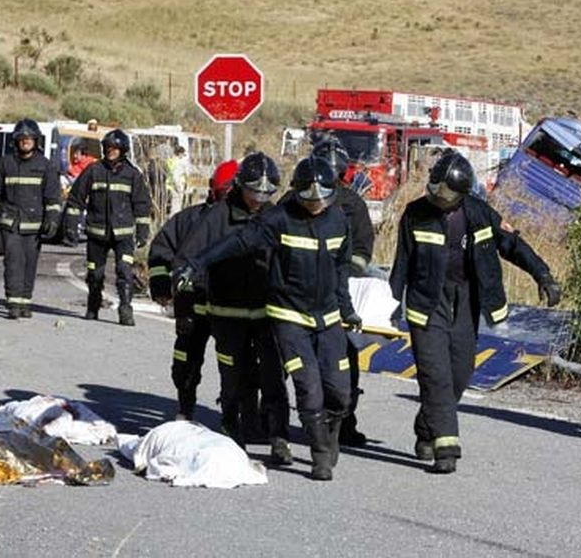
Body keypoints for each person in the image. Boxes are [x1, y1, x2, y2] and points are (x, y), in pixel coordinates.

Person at [177, 156, 362, 481]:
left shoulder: (337, 220)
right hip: (274, 314)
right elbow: (236, 242)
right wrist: (196, 265)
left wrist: (347, 309)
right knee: (301, 386)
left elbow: (340, 268)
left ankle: (326, 431)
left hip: (321, 316)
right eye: (309, 199)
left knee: (337, 391)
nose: (316, 204)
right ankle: (312, 451)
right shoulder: (277, 218)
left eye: (321, 199)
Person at [389, 150, 561, 474]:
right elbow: (402, 263)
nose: (440, 197)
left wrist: (543, 275)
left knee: (460, 372)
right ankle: (447, 448)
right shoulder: (415, 214)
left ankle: (427, 428)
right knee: (436, 374)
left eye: (447, 194)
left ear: (462, 193)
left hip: (466, 300)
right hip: (427, 303)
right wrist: (392, 302)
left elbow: (513, 245)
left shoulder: (480, 213)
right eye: (436, 189)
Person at [174, 153, 291, 464]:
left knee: (273, 377)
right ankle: (231, 427)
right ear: (240, 186)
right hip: (227, 313)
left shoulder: (276, 215)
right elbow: (189, 259)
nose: (258, 200)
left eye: (266, 194)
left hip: (268, 313)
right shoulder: (218, 216)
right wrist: (189, 305)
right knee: (232, 376)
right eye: (254, 192)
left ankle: (279, 437)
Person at [149, 160, 238, 420]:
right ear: (213, 189)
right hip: (192, 304)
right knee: (185, 361)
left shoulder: (248, 222)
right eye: (225, 192)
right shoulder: (189, 219)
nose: (228, 199)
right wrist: (161, 285)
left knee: (233, 365)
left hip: (229, 308)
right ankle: (185, 409)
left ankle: (232, 416)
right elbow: (161, 250)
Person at [311, 138, 375, 447]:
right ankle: (272, 416)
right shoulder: (297, 199)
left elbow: (363, 250)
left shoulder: (353, 205)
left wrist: (346, 274)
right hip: (301, 295)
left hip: (341, 296)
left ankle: (345, 422)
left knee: (344, 361)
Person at [63, 129, 151, 326]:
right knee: (95, 273)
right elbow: (76, 198)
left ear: (123, 150)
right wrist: (71, 226)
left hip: (123, 235)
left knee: (124, 271)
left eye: (115, 148)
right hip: (97, 233)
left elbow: (142, 204)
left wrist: (143, 230)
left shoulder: (132, 175)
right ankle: (93, 305)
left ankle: (125, 309)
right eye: (108, 148)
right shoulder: (93, 171)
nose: (111, 151)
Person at [0, 119, 62, 319]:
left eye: (29, 139)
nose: (25, 141)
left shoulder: (45, 165)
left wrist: (52, 220)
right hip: (10, 224)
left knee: (30, 264)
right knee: (13, 262)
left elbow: (53, 198)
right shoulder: (6, 163)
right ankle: (13, 303)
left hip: (34, 227)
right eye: (22, 138)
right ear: (16, 141)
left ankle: (25, 302)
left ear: (35, 141)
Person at [165, 145, 189, 215]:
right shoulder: (179, 163)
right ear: (180, 154)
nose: (183, 156)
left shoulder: (170, 161)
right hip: (177, 186)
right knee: (176, 207)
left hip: (170, 185)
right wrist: (178, 188)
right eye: (183, 154)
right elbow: (176, 176)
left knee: (173, 205)